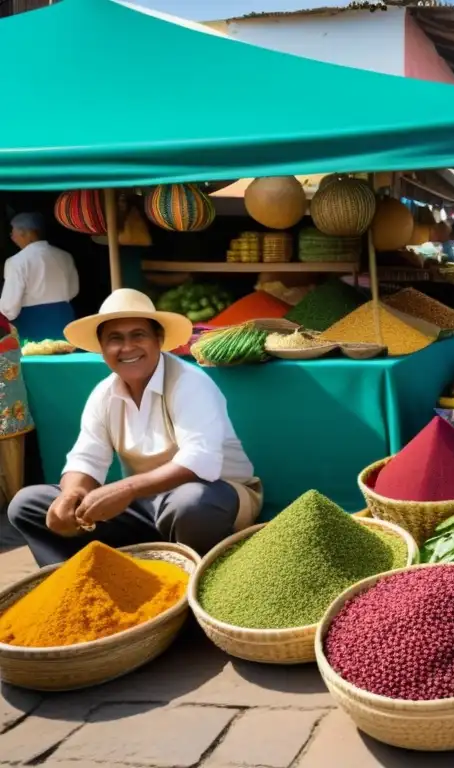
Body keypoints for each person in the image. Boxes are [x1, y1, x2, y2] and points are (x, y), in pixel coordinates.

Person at [7, 289, 264, 566]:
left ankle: (193, 584)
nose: (127, 348)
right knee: (28, 504)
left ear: (159, 340)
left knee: (192, 502)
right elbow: (86, 458)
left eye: (138, 335)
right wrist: (72, 495)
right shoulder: (103, 394)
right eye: (114, 339)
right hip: (145, 505)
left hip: (215, 496)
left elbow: (200, 460)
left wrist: (125, 489)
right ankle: (81, 579)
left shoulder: (190, 383)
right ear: (102, 349)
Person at [1, 212, 79, 342]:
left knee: (34, 360)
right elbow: (73, 291)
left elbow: (9, 308)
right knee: (64, 358)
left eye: (13, 232)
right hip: (63, 319)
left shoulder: (15, 262)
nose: (12, 237)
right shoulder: (65, 256)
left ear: (28, 233)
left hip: (32, 324)